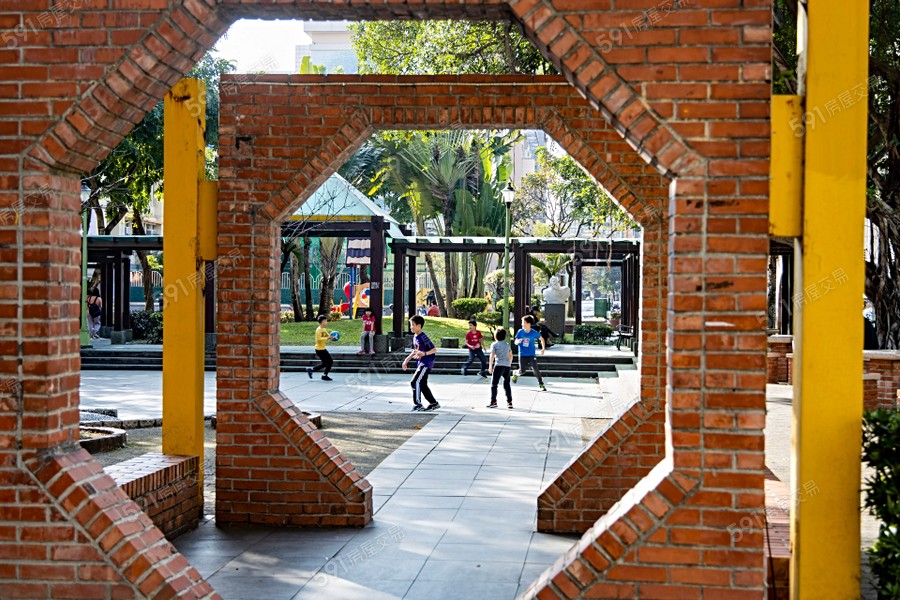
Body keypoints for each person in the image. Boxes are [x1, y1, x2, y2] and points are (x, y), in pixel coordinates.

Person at [402, 315, 440, 412]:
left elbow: (434, 349)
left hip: (426, 363)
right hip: (421, 363)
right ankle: (434, 403)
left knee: (414, 382)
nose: (411, 327)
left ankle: (418, 404)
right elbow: (415, 351)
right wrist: (407, 360)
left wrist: (424, 353)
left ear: (419, 326)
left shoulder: (423, 337)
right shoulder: (415, 337)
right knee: (422, 384)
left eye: (412, 325)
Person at [512, 315, 546, 391]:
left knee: (535, 369)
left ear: (528, 324)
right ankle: (516, 373)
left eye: (523, 322)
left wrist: (543, 348)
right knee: (522, 371)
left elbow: (542, 339)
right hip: (522, 354)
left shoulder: (533, 333)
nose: (522, 324)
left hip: (531, 354)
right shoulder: (520, 332)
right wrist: (517, 342)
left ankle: (541, 384)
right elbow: (515, 341)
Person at [487, 328, 514, 409]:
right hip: (507, 366)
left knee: (494, 384)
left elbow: (492, 355)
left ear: (495, 336)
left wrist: (490, 366)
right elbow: (511, 355)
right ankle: (509, 402)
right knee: (507, 384)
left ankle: (493, 401)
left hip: (498, 365)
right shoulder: (507, 345)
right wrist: (509, 363)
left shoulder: (494, 344)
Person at [306, 315, 335, 381]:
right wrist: (327, 338)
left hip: (323, 348)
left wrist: (331, 337)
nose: (326, 322)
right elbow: (318, 339)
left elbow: (328, 335)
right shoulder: (319, 330)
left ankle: (321, 374)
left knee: (328, 362)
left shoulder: (323, 329)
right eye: (326, 321)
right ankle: (318, 372)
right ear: (322, 321)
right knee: (328, 362)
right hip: (319, 349)